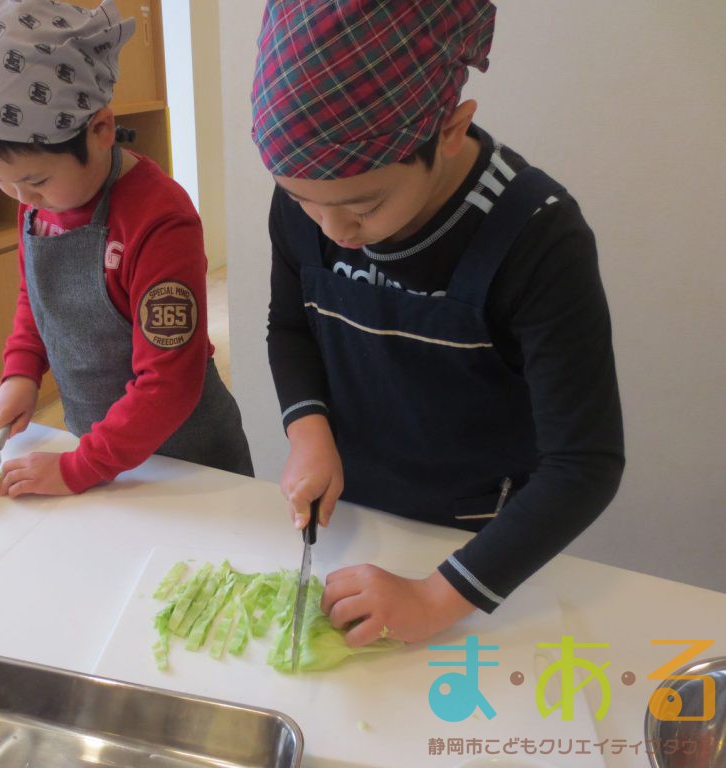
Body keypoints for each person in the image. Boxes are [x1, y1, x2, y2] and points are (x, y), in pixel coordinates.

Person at [251, 0, 623, 644]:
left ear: (450, 130)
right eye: (301, 201)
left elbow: (584, 464)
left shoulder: (538, 237)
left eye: (363, 207)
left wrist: (433, 597)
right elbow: (289, 328)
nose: (334, 233)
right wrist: (309, 432)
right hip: (359, 516)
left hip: (475, 544)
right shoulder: (315, 194)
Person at [0, 0, 253, 497]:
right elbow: (36, 303)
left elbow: (168, 384)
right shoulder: (36, 205)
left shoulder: (159, 219)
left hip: (187, 463)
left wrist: (75, 468)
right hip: (98, 450)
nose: (23, 200)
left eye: (36, 180)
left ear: (101, 129)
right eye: (1, 182)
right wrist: (21, 372)